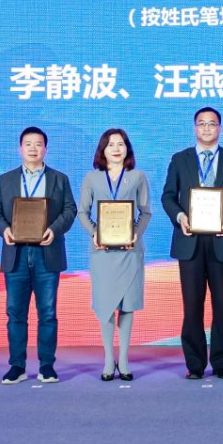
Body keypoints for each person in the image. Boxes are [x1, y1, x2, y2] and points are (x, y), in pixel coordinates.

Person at [161, 107, 223, 380]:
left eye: (212, 124)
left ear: (220, 128)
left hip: (222, 240)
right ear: (194, 128)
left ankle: (222, 364)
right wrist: (180, 217)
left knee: (222, 306)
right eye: (201, 123)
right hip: (189, 240)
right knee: (192, 306)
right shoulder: (180, 159)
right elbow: (168, 196)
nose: (206, 128)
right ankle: (195, 365)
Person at [0, 126, 77, 385]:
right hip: (15, 253)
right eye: (28, 144)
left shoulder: (59, 179)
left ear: (45, 149)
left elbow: (70, 210)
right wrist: (4, 230)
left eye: (38, 144)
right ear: (20, 149)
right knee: (15, 313)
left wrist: (54, 230)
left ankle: (47, 366)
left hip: (47, 253)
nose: (33, 148)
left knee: (47, 313)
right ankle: (17, 366)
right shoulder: (6, 179)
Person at [77, 129, 152, 382]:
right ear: (103, 150)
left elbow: (145, 212)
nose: (116, 149)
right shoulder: (92, 178)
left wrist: (135, 235)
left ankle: (124, 359)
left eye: (121, 144)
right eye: (111, 145)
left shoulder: (138, 176)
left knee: (127, 305)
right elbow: (82, 212)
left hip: (130, 251)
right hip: (103, 252)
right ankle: (109, 359)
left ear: (127, 148)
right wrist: (94, 233)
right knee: (106, 305)